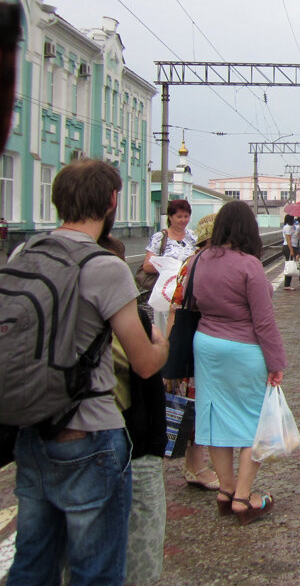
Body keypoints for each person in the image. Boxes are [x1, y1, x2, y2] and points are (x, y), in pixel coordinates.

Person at [7, 158, 168, 585]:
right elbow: (144, 364)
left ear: (59, 200)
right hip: (91, 436)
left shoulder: (25, 252)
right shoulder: (105, 267)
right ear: (113, 201)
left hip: (33, 433)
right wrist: (162, 339)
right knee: (95, 571)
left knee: (32, 563)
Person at [191, 200, 286, 525]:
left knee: (216, 418)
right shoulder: (249, 265)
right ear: (249, 230)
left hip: (206, 346)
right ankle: (244, 498)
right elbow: (264, 322)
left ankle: (226, 491)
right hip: (242, 349)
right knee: (251, 423)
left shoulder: (200, 259)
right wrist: (276, 362)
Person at [99, 234, 168, 586]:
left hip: (51, 433)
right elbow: (145, 367)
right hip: (123, 438)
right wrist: (161, 345)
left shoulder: (31, 262)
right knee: (138, 528)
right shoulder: (131, 314)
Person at [171, 213, 220, 493]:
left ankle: (196, 464)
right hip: (196, 342)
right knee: (196, 404)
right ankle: (195, 467)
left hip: (187, 340)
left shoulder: (190, 261)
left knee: (195, 403)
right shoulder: (201, 264)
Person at [281, 214, 297, 291]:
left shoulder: (290, 227)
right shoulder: (288, 227)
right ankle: (287, 284)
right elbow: (288, 239)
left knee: (289, 264)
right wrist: (291, 250)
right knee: (289, 265)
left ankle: (287, 284)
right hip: (288, 247)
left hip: (288, 247)